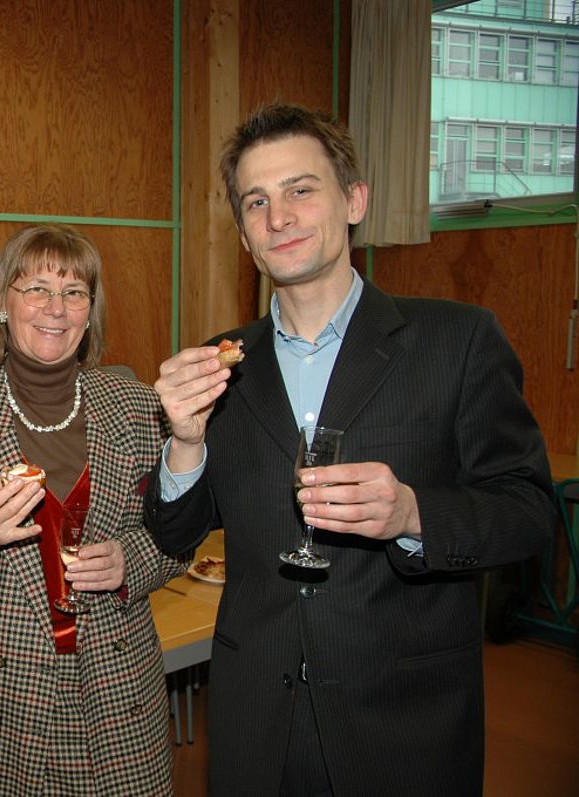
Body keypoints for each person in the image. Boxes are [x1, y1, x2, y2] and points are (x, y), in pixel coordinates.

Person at [144, 102, 557, 796]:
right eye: (257, 201)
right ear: (244, 234)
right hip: (256, 721)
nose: (279, 217)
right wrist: (184, 442)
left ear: (354, 200)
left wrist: (412, 514)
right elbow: (175, 535)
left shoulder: (457, 341)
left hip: (403, 722)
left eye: (301, 189)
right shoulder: (221, 364)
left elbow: (528, 512)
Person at [0, 223, 188, 796]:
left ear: (90, 313)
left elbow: (178, 533)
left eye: (74, 292)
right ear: (3, 304)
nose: (56, 308)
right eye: (37, 289)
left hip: (112, 692)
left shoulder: (139, 409)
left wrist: (133, 560)